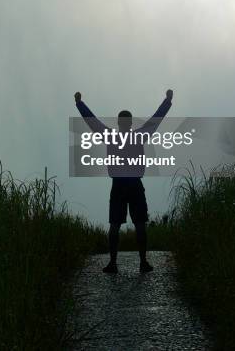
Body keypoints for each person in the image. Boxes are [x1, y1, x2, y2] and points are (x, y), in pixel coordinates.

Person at [74, 89, 173, 273]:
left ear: (120, 123)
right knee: (139, 224)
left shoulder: (112, 136)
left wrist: (80, 103)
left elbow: (92, 122)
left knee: (116, 224)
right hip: (134, 184)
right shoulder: (137, 136)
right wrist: (167, 101)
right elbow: (156, 120)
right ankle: (142, 262)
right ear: (130, 123)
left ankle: (114, 263)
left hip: (120, 185)